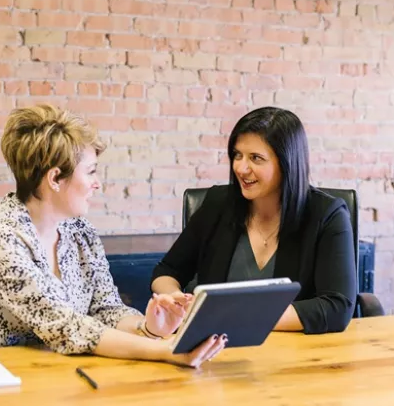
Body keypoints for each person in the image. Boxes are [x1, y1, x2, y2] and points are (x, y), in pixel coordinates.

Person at [0, 104, 226, 367]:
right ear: (54, 179)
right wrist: (166, 350)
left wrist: (149, 328)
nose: (97, 184)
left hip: (49, 372)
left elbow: (106, 309)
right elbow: (65, 326)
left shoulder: (79, 232)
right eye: (90, 172)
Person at [151, 106, 357, 334]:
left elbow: (337, 307)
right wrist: (173, 298)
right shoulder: (218, 204)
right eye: (237, 155)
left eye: (256, 158)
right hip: (215, 350)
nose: (241, 168)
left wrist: (233, 317)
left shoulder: (327, 215)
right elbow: (167, 270)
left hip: (295, 353)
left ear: (287, 163)